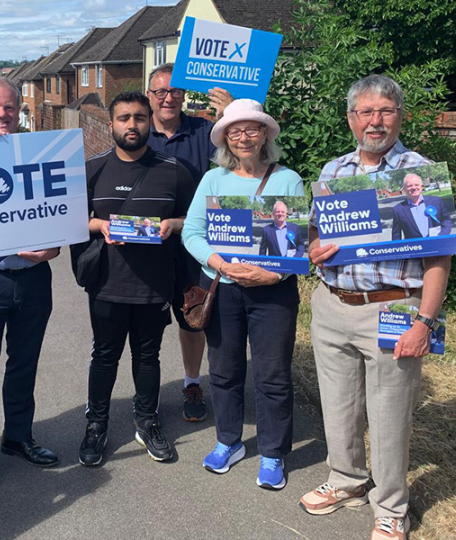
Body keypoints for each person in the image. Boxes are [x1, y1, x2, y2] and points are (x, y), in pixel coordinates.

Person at [303, 74, 450, 540]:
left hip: (394, 309)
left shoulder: (422, 173)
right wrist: (313, 248)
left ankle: (391, 507)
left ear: (400, 115)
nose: (375, 121)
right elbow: (312, 233)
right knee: (339, 405)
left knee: (389, 415)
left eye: (385, 111)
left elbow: (440, 254)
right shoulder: (332, 171)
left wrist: (424, 321)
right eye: (365, 112)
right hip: (332, 305)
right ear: (350, 119)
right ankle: (347, 480)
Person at [181, 99, 304, 490]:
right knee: (224, 371)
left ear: (265, 133)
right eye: (235, 131)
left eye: (252, 129)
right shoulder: (213, 179)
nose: (244, 137)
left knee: (272, 375)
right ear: (226, 138)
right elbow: (192, 233)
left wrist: (270, 275)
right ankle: (228, 441)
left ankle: (272, 453)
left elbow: (297, 246)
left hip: (274, 293)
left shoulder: (289, 180)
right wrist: (221, 265)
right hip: (225, 290)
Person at [78, 91, 193, 466]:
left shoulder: (173, 171)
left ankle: (146, 421)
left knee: (148, 357)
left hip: (153, 283)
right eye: (124, 118)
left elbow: (195, 223)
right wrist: (98, 224)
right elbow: (64, 220)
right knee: (104, 357)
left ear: (150, 122)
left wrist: (172, 225)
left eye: (140, 118)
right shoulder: (91, 170)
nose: (132, 125)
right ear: (110, 125)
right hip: (107, 283)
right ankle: (96, 424)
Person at [0, 74, 60, 488]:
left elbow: (60, 213)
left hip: (34, 278)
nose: (2, 115)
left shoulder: (40, 155)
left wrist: (53, 248)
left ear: (20, 111)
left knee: (24, 364)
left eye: (9, 107)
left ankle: (18, 437)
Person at [146, 63, 234, 423]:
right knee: (147, 324)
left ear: (184, 95)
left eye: (175, 91)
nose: (168, 98)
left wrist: (229, 114)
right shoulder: (137, 133)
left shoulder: (206, 131)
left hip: (193, 245)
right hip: (148, 247)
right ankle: (146, 392)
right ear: (149, 96)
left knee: (191, 320)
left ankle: (192, 382)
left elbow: (245, 154)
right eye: (160, 92)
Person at [391, 173, 452, 240]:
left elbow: (446, 220)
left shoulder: (436, 201)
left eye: (416, 185)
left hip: (438, 244)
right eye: (410, 186)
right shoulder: (398, 210)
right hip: (415, 248)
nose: (414, 187)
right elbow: (396, 235)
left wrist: (441, 235)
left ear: (421, 186)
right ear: (404, 189)